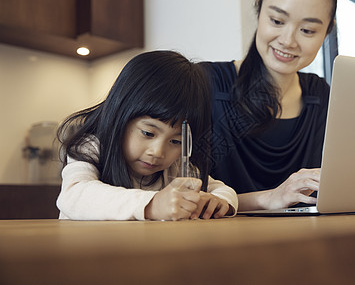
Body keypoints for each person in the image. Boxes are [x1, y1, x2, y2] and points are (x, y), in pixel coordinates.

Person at [201, 0, 338, 211]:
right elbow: (187, 196)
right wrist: (271, 198)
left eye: (307, 30)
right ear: (259, 9)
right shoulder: (206, 83)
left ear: (327, 31)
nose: (288, 41)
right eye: (276, 21)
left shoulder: (320, 95)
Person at [56, 51, 238, 221]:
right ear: (120, 115)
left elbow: (220, 189)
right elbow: (73, 195)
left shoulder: (174, 168)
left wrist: (218, 201)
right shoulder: (92, 148)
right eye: (148, 133)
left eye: (176, 141)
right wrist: (152, 204)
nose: (158, 152)